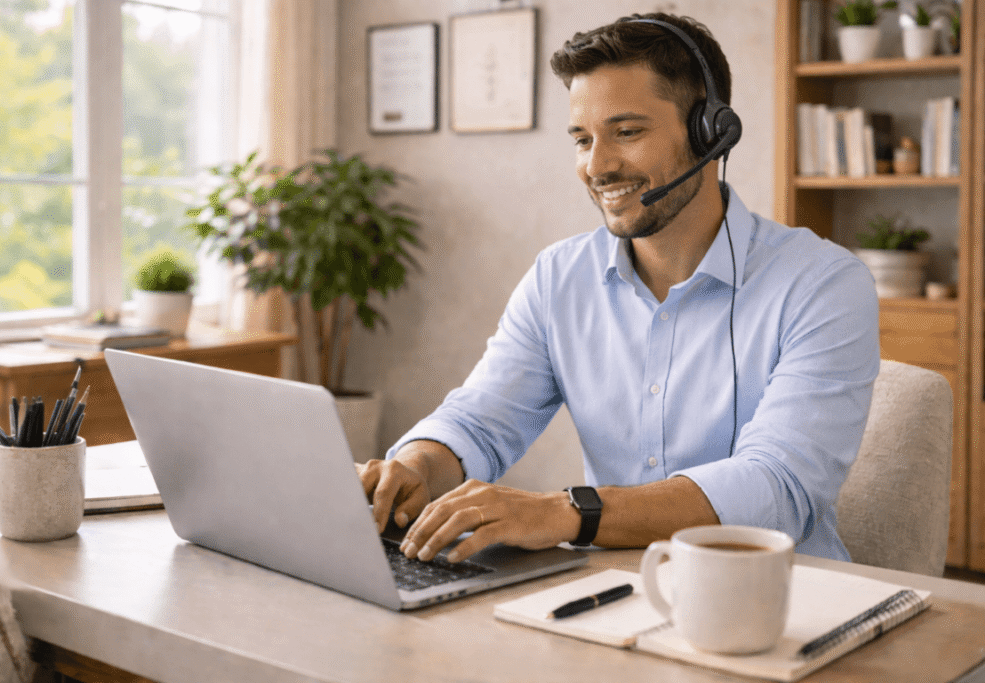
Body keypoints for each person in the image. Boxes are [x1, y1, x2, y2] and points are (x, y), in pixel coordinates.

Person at [358, 12, 879, 565]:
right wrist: (415, 465)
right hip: (615, 598)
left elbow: (778, 486)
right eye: (583, 139)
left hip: (781, 606)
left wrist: (568, 512)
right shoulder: (559, 278)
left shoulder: (823, 283)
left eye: (627, 132)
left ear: (710, 131)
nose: (597, 166)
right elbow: (479, 421)